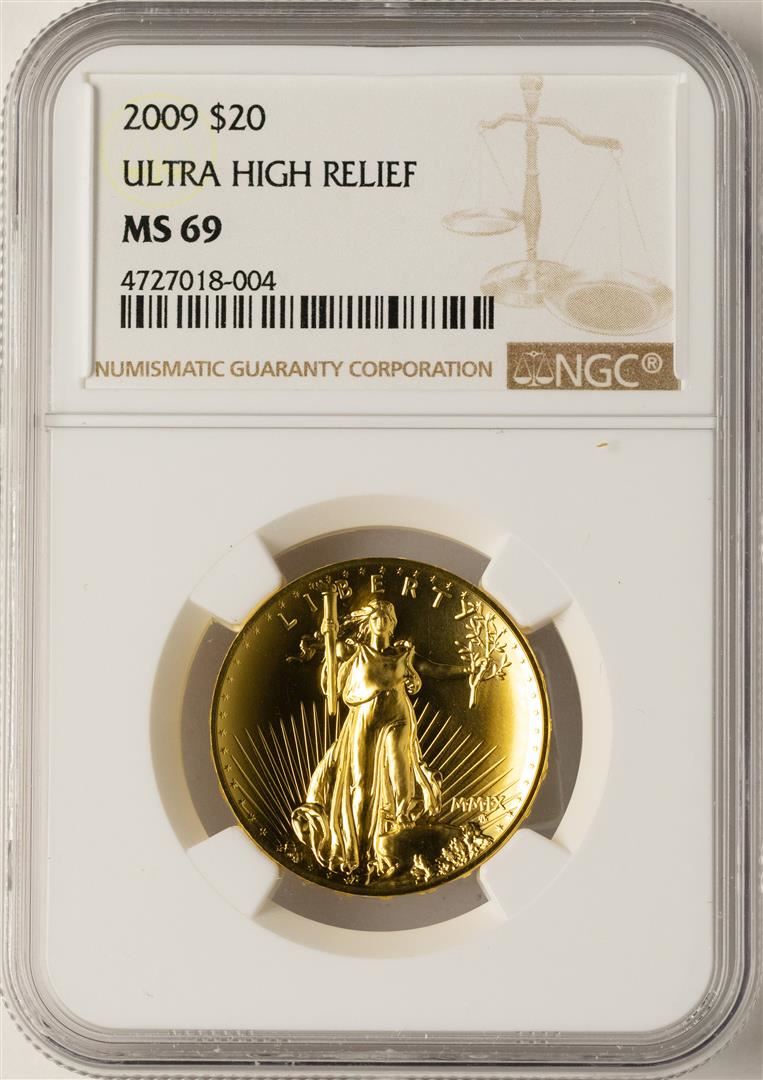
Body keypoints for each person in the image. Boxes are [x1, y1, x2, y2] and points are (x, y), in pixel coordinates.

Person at [291, 598, 440, 881]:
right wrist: (327, 635)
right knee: (362, 786)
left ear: (393, 624)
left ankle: (394, 841)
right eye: (376, 617)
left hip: (398, 717)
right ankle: (358, 853)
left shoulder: (403, 654)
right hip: (364, 719)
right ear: (369, 622)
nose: (381, 621)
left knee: (401, 779)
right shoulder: (354, 650)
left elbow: (432, 670)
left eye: (386, 617)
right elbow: (331, 676)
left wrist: (466, 670)